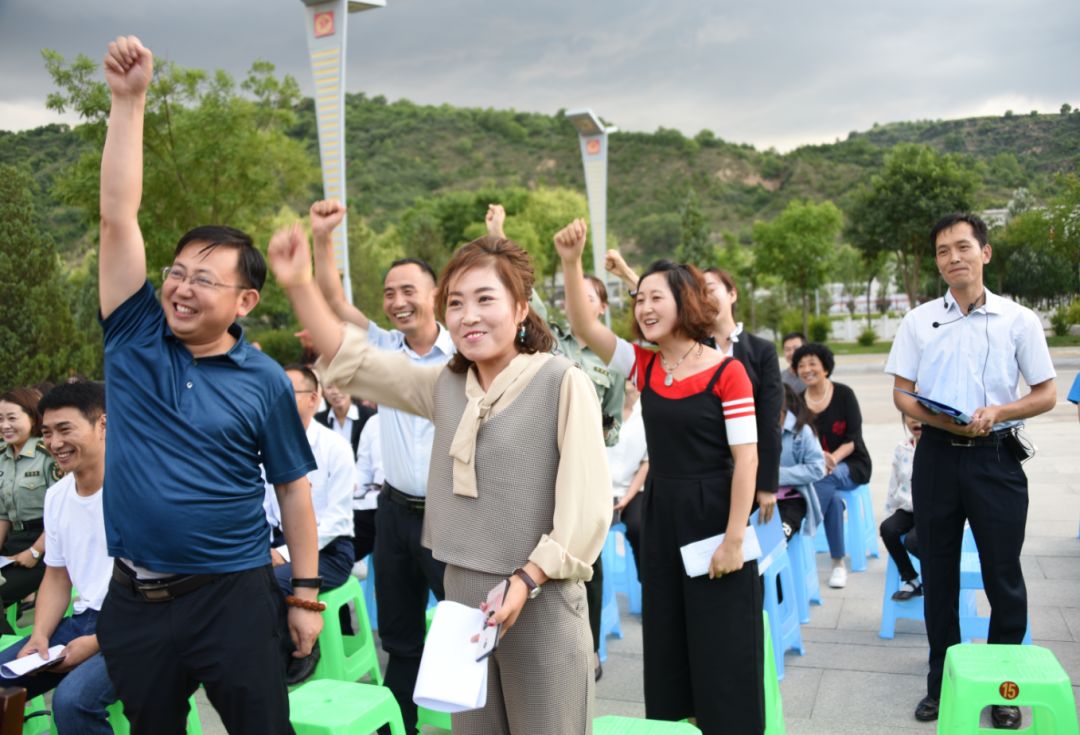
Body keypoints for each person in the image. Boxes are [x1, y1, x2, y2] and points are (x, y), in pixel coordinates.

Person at [270, 223, 611, 734]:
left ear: (520, 308)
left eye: (484, 299)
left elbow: (587, 510)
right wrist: (299, 283)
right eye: (455, 303)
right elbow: (356, 363)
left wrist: (525, 581)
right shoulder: (445, 384)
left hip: (541, 598)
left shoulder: (563, 382)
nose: (468, 316)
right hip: (463, 603)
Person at [93, 36, 322, 734]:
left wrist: (305, 598)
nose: (182, 286)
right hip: (134, 596)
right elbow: (117, 215)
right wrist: (128, 102)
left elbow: (292, 488)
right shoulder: (133, 333)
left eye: (205, 277)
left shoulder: (263, 381)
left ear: (246, 302)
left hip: (234, 597)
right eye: (177, 270)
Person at [559, 219, 763, 735]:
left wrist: (735, 538)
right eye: (639, 299)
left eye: (656, 298)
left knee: (722, 642)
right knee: (669, 638)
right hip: (663, 510)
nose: (644, 308)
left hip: (716, 512)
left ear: (685, 303)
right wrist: (571, 261)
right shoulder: (643, 366)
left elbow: (748, 460)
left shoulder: (726, 371)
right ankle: (679, 726)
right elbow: (585, 328)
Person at [886, 213, 1057, 729]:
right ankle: (942, 683)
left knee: (1001, 574)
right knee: (937, 573)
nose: (953, 258)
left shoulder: (1019, 320)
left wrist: (998, 413)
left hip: (996, 459)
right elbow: (902, 392)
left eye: (963, 247)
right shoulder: (918, 321)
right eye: (942, 251)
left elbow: (1046, 393)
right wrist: (939, 419)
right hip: (937, 457)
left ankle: (1005, 690)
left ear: (985, 253)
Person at [310, 198, 454, 733]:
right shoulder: (381, 345)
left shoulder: (464, 354)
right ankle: (404, 726)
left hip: (451, 515)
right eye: (389, 293)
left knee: (466, 629)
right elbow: (330, 299)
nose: (397, 301)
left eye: (408, 290)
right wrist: (323, 238)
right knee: (399, 636)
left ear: (434, 294)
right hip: (394, 514)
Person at [486, 202, 623, 680]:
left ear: (602, 307)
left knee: (588, 568)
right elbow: (517, 293)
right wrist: (499, 236)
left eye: (588, 294)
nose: (577, 300)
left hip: (582, 478)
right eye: (573, 292)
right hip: (534, 474)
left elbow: (613, 422)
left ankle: (588, 649)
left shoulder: (608, 359)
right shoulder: (551, 340)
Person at [606, 252, 781, 525]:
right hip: (693, 476)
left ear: (732, 295)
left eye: (711, 289)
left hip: (739, 469)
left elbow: (768, 422)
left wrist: (767, 484)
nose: (705, 295)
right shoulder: (691, 348)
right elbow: (660, 301)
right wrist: (631, 278)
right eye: (700, 290)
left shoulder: (762, 351)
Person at [0, 382, 117, 734]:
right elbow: (57, 575)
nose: (54, 444)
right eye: (47, 432)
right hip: (83, 620)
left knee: (72, 702)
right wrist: (39, 634)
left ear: (103, 424)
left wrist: (98, 642)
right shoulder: (58, 495)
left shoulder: (135, 489)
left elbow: (159, 590)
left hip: (140, 626)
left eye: (65, 429)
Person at [264, 364, 358, 683]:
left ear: (313, 399)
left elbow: (338, 519)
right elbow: (261, 510)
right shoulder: (267, 447)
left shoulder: (336, 448)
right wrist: (268, 548)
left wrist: (288, 554)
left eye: (289, 394)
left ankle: (300, 649)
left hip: (330, 552)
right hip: (277, 547)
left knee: (271, 581)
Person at [793, 341, 872, 589]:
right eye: (801, 365)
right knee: (834, 502)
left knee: (826, 477)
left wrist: (832, 460)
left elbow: (853, 438)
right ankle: (838, 563)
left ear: (825, 368)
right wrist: (818, 461)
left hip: (851, 462)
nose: (806, 369)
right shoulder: (797, 401)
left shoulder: (844, 394)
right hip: (817, 467)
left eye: (812, 364)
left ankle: (805, 525)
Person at [0, 386, 59, 629]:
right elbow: (2, 514)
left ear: (33, 418)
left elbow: (61, 514)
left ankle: (10, 658)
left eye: (12, 418)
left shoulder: (48, 455)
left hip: (46, 547)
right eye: (0, 419)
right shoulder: (2, 456)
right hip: (13, 542)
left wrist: (35, 551)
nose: (4, 425)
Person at [879, 413, 923, 601]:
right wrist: (890, 509)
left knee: (913, 541)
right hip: (909, 508)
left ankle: (938, 576)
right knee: (887, 529)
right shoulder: (902, 449)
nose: (914, 420)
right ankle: (912, 578)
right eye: (909, 416)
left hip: (933, 511)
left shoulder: (941, 451)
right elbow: (894, 481)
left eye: (919, 415)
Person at [608, 378, 649, 576]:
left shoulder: (647, 413)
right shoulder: (603, 407)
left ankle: (646, 583)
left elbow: (646, 463)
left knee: (640, 528)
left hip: (632, 490)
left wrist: (627, 497)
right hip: (599, 490)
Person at [776, 384, 825, 542]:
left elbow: (817, 469)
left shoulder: (802, 431)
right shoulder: (756, 429)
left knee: (777, 540)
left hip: (794, 500)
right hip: (761, 499)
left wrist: (775, 475)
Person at [317, 383, 376, 458]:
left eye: (340, 385)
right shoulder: (318, 421)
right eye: (329, 387)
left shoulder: (370, 417)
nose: (336, 391)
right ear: (323, 393)